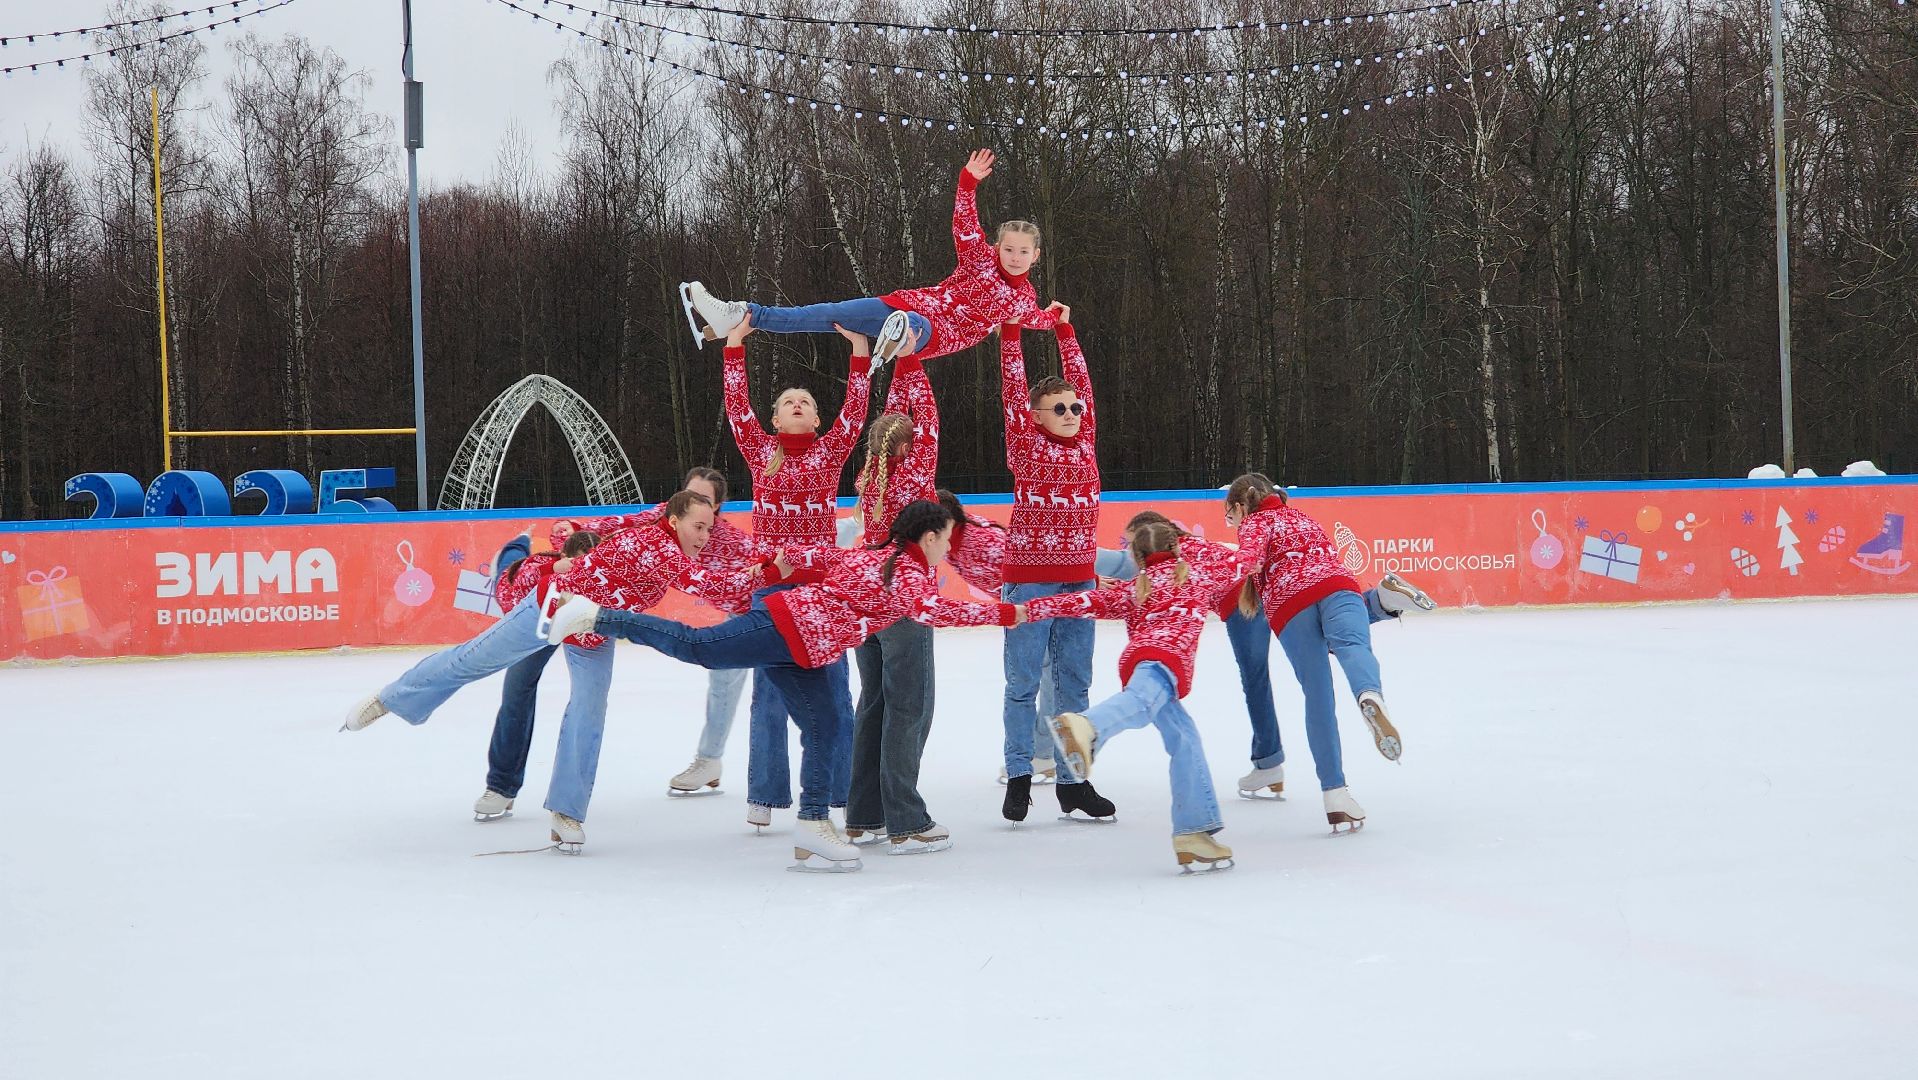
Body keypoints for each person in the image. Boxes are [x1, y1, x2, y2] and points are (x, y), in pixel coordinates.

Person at [545, 500, 1022, 872]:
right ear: (931, 535)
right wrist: (1009, 612)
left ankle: (813, 825)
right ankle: (595, 614)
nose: (950, 548)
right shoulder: (900, 570)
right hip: (780, 627)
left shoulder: (885, 561)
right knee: (700, 647)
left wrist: (774, 567)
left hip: (806, 651)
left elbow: (808, 556)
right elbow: (934, 612)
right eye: (947, 539)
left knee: (830, 727)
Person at [340, 492, 766, 853]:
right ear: (674, 521)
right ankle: (389, 698)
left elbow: (686, 559)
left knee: (589, 709)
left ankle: (566, 811)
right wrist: (768, 575)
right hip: (550, 607)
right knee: (472, 660)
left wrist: (758, 567)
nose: (704, 536)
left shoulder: (661, 536)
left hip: (593, 630)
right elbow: (710, 585)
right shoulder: (656, 546)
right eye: (698, 527)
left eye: (709, 528)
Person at [1111, 510, 1434, 803]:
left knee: (1256, 679)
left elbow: (1123, 568)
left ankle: (1269, 762)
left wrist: (1085, 568)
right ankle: (1380, 602)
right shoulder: (1186, 545)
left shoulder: (1171, 553)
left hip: (1244, 603)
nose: (1128, 546)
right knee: (1327, 631)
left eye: (1129, 540)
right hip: (1271, 589)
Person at [679, 149, 1065, 367]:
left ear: (1035, 257)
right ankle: (739, 314)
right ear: (998, 248)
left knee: (912, 325)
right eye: (1009, 249)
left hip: (936, 333)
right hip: (907, 304)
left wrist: (1057, 318)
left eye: (1023, 253)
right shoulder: (980, 259)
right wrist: (967, 181)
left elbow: (1036, 320)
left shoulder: (1022, 299)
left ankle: (897, 339)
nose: (1014, 257)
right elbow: (964, 223)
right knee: (822, 314)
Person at [719, 316, 869, 831]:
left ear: (817, 418)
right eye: (787, 402)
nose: (797, 404)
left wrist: (859, 354)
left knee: (834, 689)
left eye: (804, 400)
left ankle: (840, 790)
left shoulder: (829, 454)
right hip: (772, 589)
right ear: (777, 419)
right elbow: (738, 411)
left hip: (824, 591)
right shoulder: (763, 453)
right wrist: (734, 347)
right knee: (769, 695)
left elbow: (856, 414)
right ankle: (764, 792)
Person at [1029, 522, 1246, 871]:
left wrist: (1032, 608)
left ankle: (1193, 831)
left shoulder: (1135, 589)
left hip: (1143, 661)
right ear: (1177, 549)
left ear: (1137, 557)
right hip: (1165, 665)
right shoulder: (1200, 577)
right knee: (1142, 704)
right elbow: (1242, 563)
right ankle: (1085, 726)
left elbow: (1085, 601)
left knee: (1185, 739)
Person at [1223, 473, 1413, 833]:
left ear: (1239, 506)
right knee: (1351, 644)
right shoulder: (1303, 517)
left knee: (1319, 695)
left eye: (1228, 515)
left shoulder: (1255, 523)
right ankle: (1370, 686)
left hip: (1290, 605)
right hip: (1337, 585)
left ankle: (1335, 793)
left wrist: (1234, 557)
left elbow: (1246, 560)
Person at [995, 317, 1116, 824]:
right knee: (1023, 682)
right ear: (1036, 415)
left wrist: (1068, 334)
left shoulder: (1084, 441)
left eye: (1075, 407)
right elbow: (1012, 387)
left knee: (1075, 684)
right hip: (1030, 578)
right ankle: (1020, 776)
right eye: (1060, 408)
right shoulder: (1026, 445)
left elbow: (1083, 382)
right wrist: (1011, 334)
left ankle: (1074, 782)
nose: (1071, 413)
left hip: (1079, 581)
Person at [570, 467, 756, 797]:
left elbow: (766, 561)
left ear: (717, 508)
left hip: (747, 611)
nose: (695, 502)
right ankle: (711, 762)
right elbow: (624, 522)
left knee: (736, 685)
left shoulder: (731, 541)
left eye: (705, 499)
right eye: (690, 494)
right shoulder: (669, 515)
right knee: (721, 681)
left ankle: (717, 763)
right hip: (724, 604)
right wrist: (578, 528)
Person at [844, 339, 952, 852]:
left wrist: (899, 371)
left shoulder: (870, 477)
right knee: (910, 707)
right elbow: (926, 414)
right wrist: (910, 359)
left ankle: (864, 815)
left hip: (866, 596)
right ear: (910, 447)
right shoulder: (915, 471)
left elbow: (902, 419)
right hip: (904, 597)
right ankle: (906, 818)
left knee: (874, 705)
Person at [471, 521, 589, 823]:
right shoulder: (541, 565)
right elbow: (518, 587)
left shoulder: (601, 574)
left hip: (581, 620)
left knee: (588, 701)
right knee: (516, 693)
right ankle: (501, 786)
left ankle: (570, 799)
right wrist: (554, 570)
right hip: (537, 616)